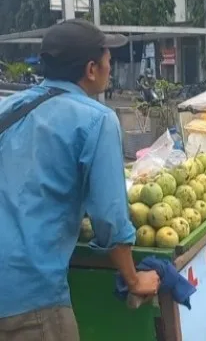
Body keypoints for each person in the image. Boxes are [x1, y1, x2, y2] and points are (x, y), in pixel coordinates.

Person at [0, 19, 160, 340]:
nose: (110, 66)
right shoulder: (96, 119)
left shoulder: (10, 106)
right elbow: (110, 219)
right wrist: (134, 280)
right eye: (107, 59)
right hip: (28, 295)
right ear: (91, 69)